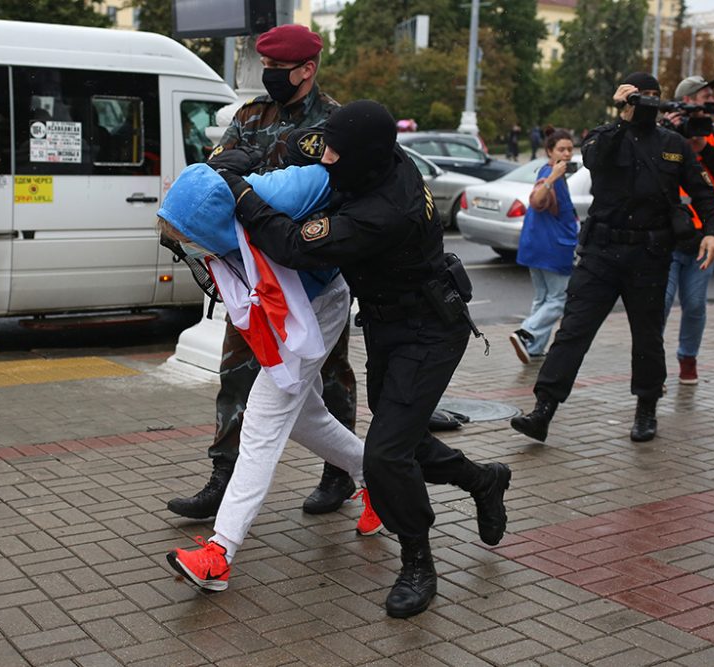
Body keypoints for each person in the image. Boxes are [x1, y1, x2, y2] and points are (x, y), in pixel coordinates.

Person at [209, 100, 512, 618]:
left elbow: (290, 245)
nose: (325, 156)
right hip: (388, 326)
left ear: (364, 157)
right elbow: (303, 150)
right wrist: (247, 164)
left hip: (429, 332)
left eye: (335, 150)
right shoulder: (368, 155)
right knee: (405, 438)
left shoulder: (384, 210)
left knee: (385, 454)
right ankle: (482, 480)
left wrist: (240, 193)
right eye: (328, 144)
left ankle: (418, 560)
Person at [163, 147, 382, 592]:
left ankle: (219, 554)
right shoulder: (220, 221)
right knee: (304, 419)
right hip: (295, 310)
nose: (190, 249)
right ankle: (377, 482)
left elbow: (336, 177)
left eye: (188, 238)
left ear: (209, 221)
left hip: (319, 306)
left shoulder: (275, 192)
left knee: (261, 421)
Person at [166, 24, 360, 522]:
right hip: (252, 271)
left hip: (311, 271)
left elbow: (348, 193)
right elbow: (213, 173)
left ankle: (339, 475)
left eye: (276, 69)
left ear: (307, 69)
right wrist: (228, 164)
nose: (267, 76)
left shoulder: (336, 123)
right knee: (235, 368)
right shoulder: (252, 116)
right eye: (265, 68)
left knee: (331, 376)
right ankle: (221, 477)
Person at [510, 72, 714, 444]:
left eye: (653, 96)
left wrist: (712, 231)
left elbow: (704, 194)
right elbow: (593, 159)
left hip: (650, 254)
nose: (647, 102)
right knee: (574, 330)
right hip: (602, 253)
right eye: (640, 96)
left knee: (647, 337)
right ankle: (543, 409)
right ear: (625, 98)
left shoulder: (673, 143)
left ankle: (646, 408)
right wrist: (621, 117)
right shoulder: (603, 135)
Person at [660, 75, 714, 385]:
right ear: (687, 100)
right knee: (661, 304)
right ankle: (651, 362)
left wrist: (704, 147)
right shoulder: (666, 130)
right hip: (667, 233)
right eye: (704, 95)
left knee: (694, 305)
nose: (710, 100)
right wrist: (669, 129)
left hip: (703, 236)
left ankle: (687, 358)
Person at [509, 128, 578, 363]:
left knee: (542, 298)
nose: (567, 154)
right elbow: (537, 201)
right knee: (559, 299)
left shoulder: (552, 172)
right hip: (552, 248)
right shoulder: (550, 175)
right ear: (549, 151)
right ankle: (526, 332)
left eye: (570, 149)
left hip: (535, 246)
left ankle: (534, 348)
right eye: (561, 149)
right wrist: (552, 179)